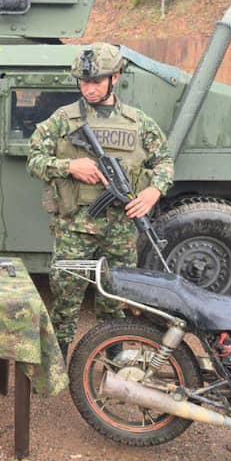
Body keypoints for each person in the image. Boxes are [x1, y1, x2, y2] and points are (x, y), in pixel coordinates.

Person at [27, 43, 174, 356]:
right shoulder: (63, 120)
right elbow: (34, 159)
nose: (88, 88)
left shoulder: (139, 122)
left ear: (116, 78)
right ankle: (55, 369)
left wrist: (153, 191)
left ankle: (114, 367)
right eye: (83, 81)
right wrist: (69, 166)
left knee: (115, 305)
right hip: (74, 229)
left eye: (96, 81)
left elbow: (164, 161)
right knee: (65, 303)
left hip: (121, 231)